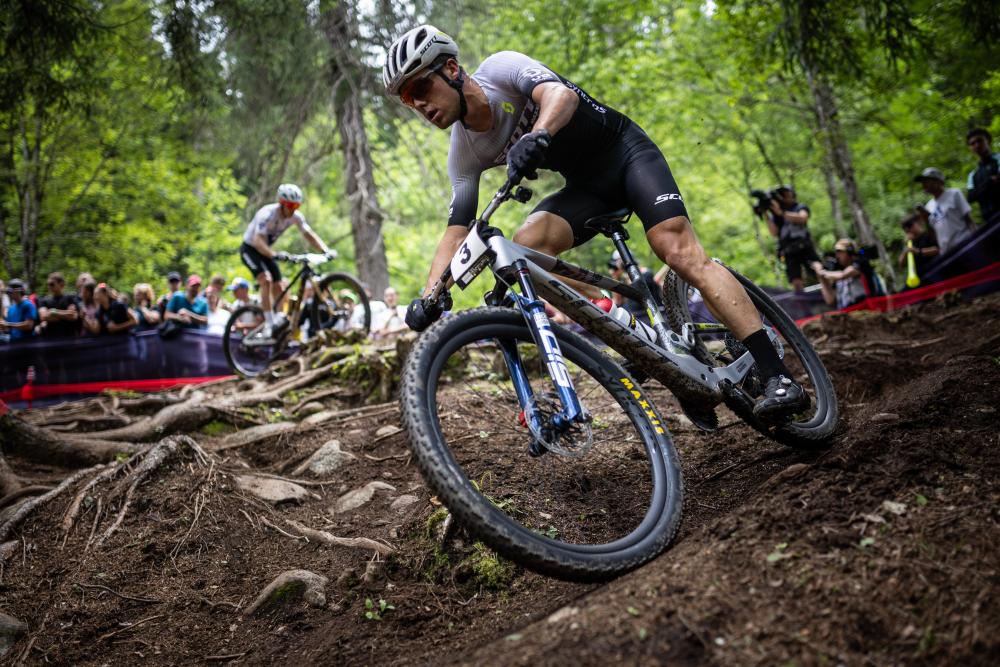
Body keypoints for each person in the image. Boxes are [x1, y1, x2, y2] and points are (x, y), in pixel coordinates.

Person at [384, 26, 807, 419]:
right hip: (587, 188)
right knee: (527, 244)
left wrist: (538, 135)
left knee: (676, 251)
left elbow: (561, 96)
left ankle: (778, 375)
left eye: (420, 86)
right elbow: (457, 229)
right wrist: (430, 295)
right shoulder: (464, 152)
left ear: (452, 69)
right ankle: (626, 324)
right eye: (407, 99)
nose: (418, 104)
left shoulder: (500, 69)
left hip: (627, 154)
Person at [239, 183, 334, 336]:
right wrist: (274, 254)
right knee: (267, 280)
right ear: (281, 203)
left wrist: (325, 250)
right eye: (290, 205)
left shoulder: (296, 216)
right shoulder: (267, 214)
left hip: (267, 251)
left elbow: (308, 234)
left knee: (280, 287)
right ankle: (269, 324)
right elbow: (258, 240)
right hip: (250, 249)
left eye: (296, 205)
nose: (292, 209)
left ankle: (277, 320)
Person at [764, 185, 820, 292]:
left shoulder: (799, 207)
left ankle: (834, 295)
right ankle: (803, 306)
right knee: (796, 281)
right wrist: (766, 214)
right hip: (788, 251)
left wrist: (782, 213)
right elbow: (774, 232)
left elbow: (803, 218)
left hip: (804, 246)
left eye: (785, 194)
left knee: (818, 270)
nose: (783, 197)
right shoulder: (776, 215)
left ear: (792, 195)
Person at [915, 167, 977, 256]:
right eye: (922, 182)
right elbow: (933, 237)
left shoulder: (954, 194)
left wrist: (976, 238)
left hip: (965, 244)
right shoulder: (929, 206)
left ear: (938, 181)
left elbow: (968, 219)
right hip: (947, 253)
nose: (923, 184)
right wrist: (925, 219)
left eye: (926, 181)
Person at [813, 239, 884, 309]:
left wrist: (822, 272)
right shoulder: (837, 272)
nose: (837, 256)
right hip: (848, 313)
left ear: (849, 252)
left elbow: (843, 275)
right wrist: (820, 277)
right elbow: (830, 300)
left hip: (867, 308)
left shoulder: (861, 263)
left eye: (840, 252)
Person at [607, 250, 662, 322]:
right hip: (636, 317)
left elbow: (638, 288)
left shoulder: (646, 274)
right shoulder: (623, 279)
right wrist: (615, 277)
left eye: (620, 261)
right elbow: (618, 301)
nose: (618, 264)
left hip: (649, 315)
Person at [966, 128, 1000, 225]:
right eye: (972, 143)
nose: (977, 145)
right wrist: (990, 181)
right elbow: (971, 197)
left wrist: (980, 190)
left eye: (979, 140)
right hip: (991, 221)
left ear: (988, 141)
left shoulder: (998, 159)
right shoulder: (973, 175)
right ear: (970, 148)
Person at [897, 208, 939, 285]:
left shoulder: (928, 235)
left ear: (918, 222)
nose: (907, 229)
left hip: (935, 272)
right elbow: (900, 265)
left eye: (909, 225)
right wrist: (905, 250)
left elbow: (937, 250)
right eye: (904, 227)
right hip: (921, 279)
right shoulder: (909, 244)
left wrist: (917, 251)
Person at [38, 272, 79, 337]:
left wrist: (53, 311)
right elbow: (43, 316)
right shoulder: (44, 300)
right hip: (51, 338)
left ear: (61, 284)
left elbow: (73, 316)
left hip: (69, 337)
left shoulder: (70, 298)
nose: (49, 287)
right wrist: (65, 316)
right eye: (48, 284)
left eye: (52, 284)